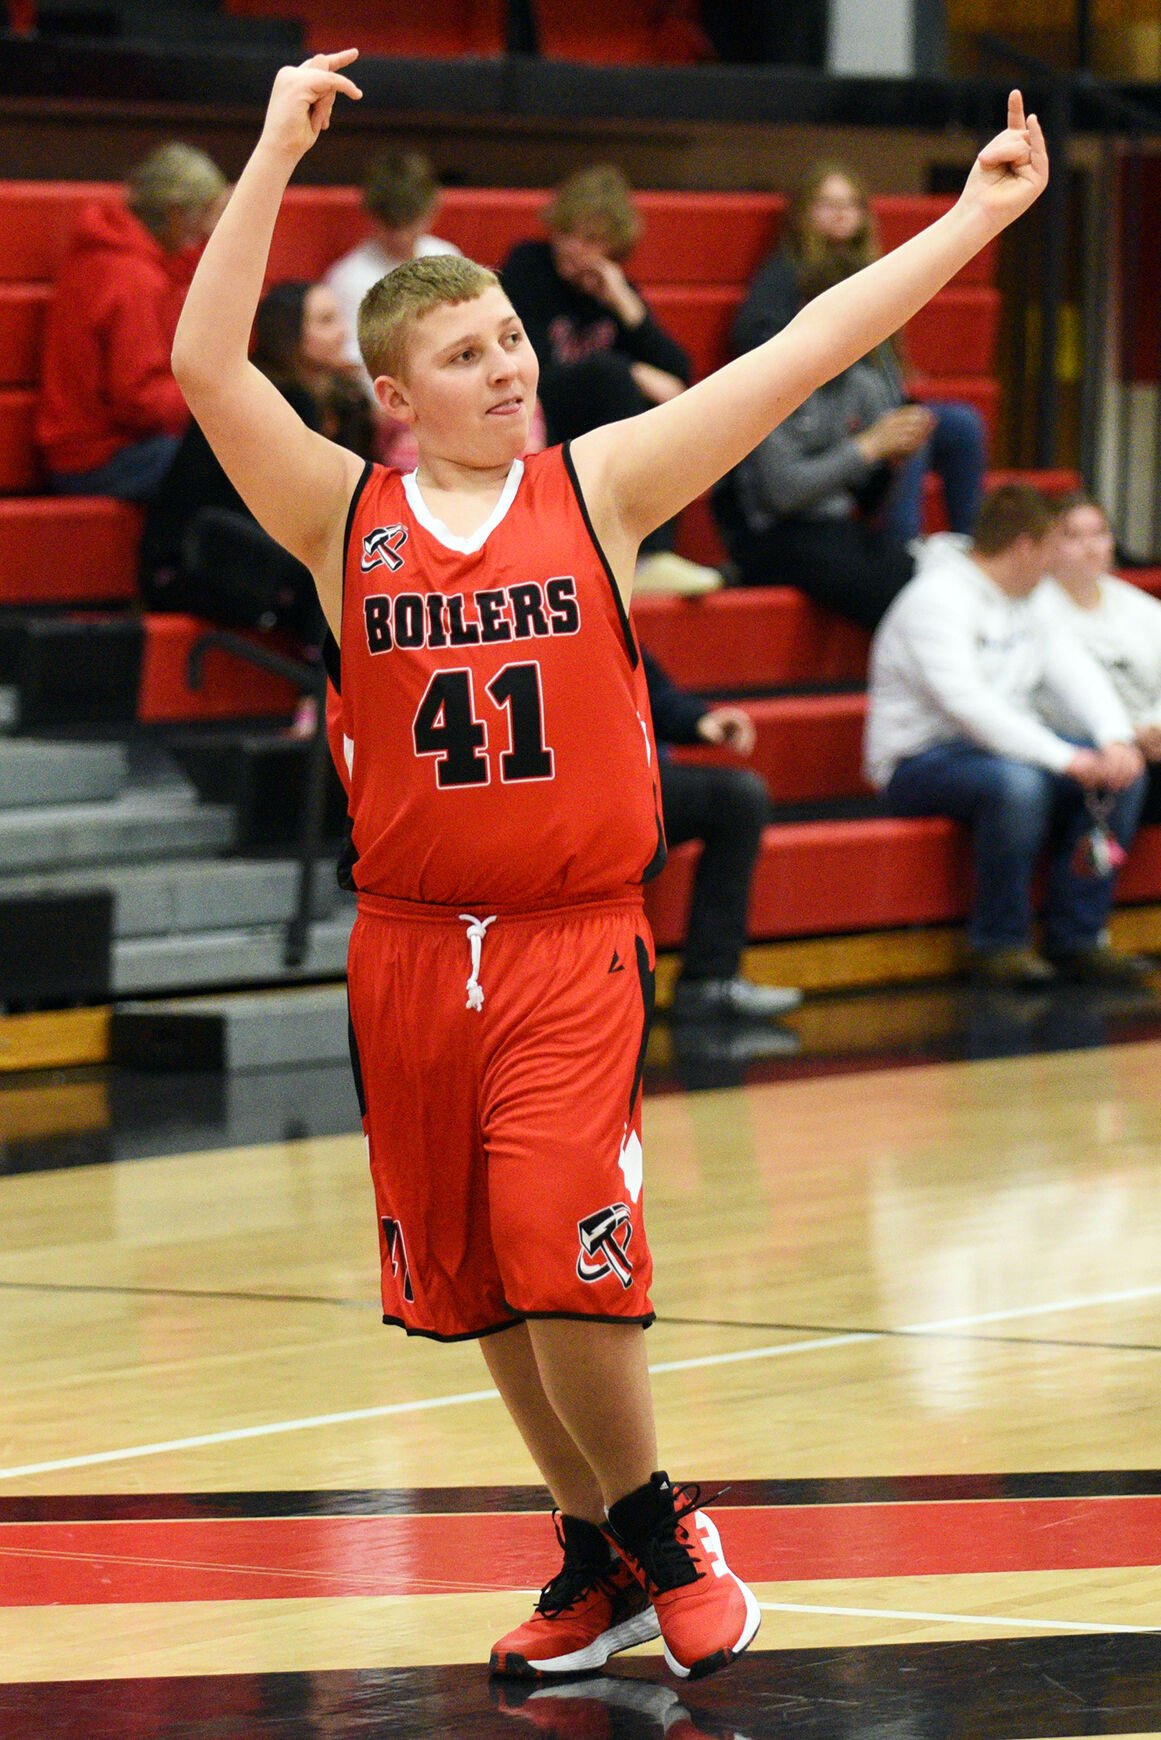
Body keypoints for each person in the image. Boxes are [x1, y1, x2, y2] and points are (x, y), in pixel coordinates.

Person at [171, 48, 1047, 1681]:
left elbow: (802, 352)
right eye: (466, 353)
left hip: (571, 938)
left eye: (509, 339)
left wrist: (972, 223)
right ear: (394, 396)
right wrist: (276, 149)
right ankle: (594, 1558)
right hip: (410, 947)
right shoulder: (333, 515)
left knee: (562, 1224)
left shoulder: (603, 487)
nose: (506, 368)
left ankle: (659, 1525)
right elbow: (205, 361)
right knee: (476, 1279)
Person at [865, 486, 1150, 988]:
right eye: (1051, 545)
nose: (1055, 561)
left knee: (1118, 778)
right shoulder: (935, 600)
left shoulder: (1031, 598)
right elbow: (971, 708)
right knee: (1020, 785)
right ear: (1024, 547)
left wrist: (1114, 739)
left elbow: (1074, 671)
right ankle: (1000, 946)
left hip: (1001, 752)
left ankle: (1078, 938)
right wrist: (1065, 758)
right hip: (919, 759)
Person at [732, 159, 987, 546]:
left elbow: (883, 356)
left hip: (872, 401)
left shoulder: (875, 267)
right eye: (827, 203)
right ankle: (901, 546)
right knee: (900, 430)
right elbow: (758, 343)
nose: (840, 214)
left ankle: (971, 543)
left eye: (850, 204)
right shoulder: (785, 274)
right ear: (803, 212)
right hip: (818, 414)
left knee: (960, 424)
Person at [501, 164, 718, 596]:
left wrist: (624, 301)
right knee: (613, 374)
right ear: (557, 229)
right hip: (532, 415)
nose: (580, 250)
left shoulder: (611, 289)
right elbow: (534, 366)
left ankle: (647, 548)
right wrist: (632, 370)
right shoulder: (528, 265)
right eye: (573, 235)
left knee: (665, 406)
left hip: (596, 431)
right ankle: (644, 558)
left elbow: (677, 373)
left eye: (595, 241)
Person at [142, 279, 373, 649]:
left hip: (264, 546)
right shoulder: (268, 398)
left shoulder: (345, 398)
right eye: (326, 321)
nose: (343, 331)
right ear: (290, 334)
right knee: (347, 558)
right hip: (201, 558)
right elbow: (303, 504)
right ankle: (325, 688)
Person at [712, 256, 922, 630]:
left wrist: (893, 462)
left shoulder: (862, 383)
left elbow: (868, 500)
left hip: (835, 526)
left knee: (917, 578)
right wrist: (869, 447)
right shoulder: (770, 381)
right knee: (883, 593)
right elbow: (783, 493)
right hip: (771, 534)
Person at [36, 141, 227, 501]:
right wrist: (223, 402)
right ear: (175, 213)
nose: (204, 230)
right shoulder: (133, 277)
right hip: (100, 457)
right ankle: (172, 558)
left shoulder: (115, 254)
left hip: (90, 447)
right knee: (239, 468)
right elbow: (141, 401)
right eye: (202, 215)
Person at [643, 651, 801, 1021]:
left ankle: (709, 981)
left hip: (628, 783)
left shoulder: (609, 617)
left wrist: (700, 720)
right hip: (567, 789)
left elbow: (652, 693)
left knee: (739, 798)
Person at [1043, 493, 1161, 826]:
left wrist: (1156, 726)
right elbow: (1043, 701)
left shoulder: (1139, 607)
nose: (1091, 547)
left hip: (1150, 742)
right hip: (1084, 743)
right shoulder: (1035, 610)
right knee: (1123, 771)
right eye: (1073, 536)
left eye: (1100, 533)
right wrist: (1126, 733)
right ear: (1045, 545)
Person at [323, 147, 461, 380]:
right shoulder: (348, 278)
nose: (401, 237)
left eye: (410, 223)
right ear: (372, 216)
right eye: (391, 225)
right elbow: (351, 366)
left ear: (431, 213)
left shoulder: (449, 258)